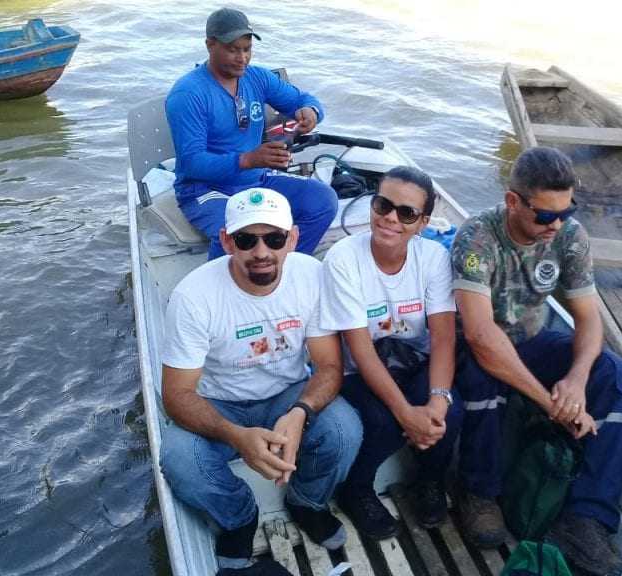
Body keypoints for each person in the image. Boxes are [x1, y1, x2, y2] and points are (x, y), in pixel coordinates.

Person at [450, 147, 622, 576]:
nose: (555, 225)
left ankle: (586, 517)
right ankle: (479, 490)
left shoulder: (569, 235)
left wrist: (576, 378)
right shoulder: (477, 238)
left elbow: (589, 318)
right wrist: (551, 403)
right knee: (481, 378)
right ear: (514, 201)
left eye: (565, 212)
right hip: (477, 350)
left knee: (614, 373)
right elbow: (480, 335)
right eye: (544, 216)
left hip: (531, 343)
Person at [159, 188, 361, 576]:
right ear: (226, 242)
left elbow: (328, 367)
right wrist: (236, 435)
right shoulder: (193, 297)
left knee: (344, 428)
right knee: (180, 459)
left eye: (275, 238)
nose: (261, 251)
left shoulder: (312, 276)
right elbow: (177, 394)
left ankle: (306, 502)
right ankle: (238, 518)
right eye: (246, 239)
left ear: (294, 238)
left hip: (286, 393)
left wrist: (299, 413)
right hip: (218, 401)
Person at [319, 166, 461, 539]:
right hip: (357, 369)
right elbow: (359, 348)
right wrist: (406, 414)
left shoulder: (432, 258)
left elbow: (444, 337)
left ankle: (429, 479)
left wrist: (438, 402)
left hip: (413, 360)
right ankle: (357, 489)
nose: (390, 219)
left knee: (451, 412)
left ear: (422, 222)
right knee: (383, 421)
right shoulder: (343, 260)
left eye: (406, 213)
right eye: (383, 205)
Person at [166, 7, 338, 259]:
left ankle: (280, 269)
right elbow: (192, 164)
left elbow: (302, 98)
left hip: (256, 180)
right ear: (209, 45)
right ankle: (223, 290)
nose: (242, 58)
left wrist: (310, 111)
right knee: (241, 231)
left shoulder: (257, 77)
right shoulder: (188, 94)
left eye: (246, 49)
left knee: (322, 201)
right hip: (204, 189)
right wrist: (248, 159)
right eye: (232, 49)